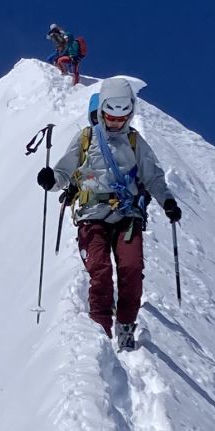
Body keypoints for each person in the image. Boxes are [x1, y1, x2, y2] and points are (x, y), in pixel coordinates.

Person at [35, 76, 181, 348]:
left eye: (121, 119)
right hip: (92, 215)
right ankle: (99, 327)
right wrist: (51, 180)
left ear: (129, 115)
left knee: (132, 268)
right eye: (110, 117)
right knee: (99, 270)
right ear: (101, 112)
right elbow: (64, 171)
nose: (115, 123)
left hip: (128, 216)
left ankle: (125, 324)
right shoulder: (86, 138)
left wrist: (168, 201)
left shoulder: (136, 143)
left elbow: (154, 178)